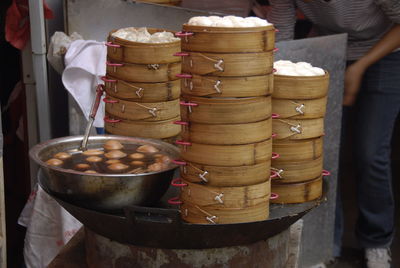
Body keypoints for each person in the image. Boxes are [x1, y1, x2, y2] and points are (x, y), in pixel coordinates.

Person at [265, 1, 400, 267]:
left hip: (387, 52)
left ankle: (376, 241)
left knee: (371, 152)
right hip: (328, 47)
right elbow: (281, 32)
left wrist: (360, 67)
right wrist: (280, 77)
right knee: (322, 150)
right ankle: (326, 243)